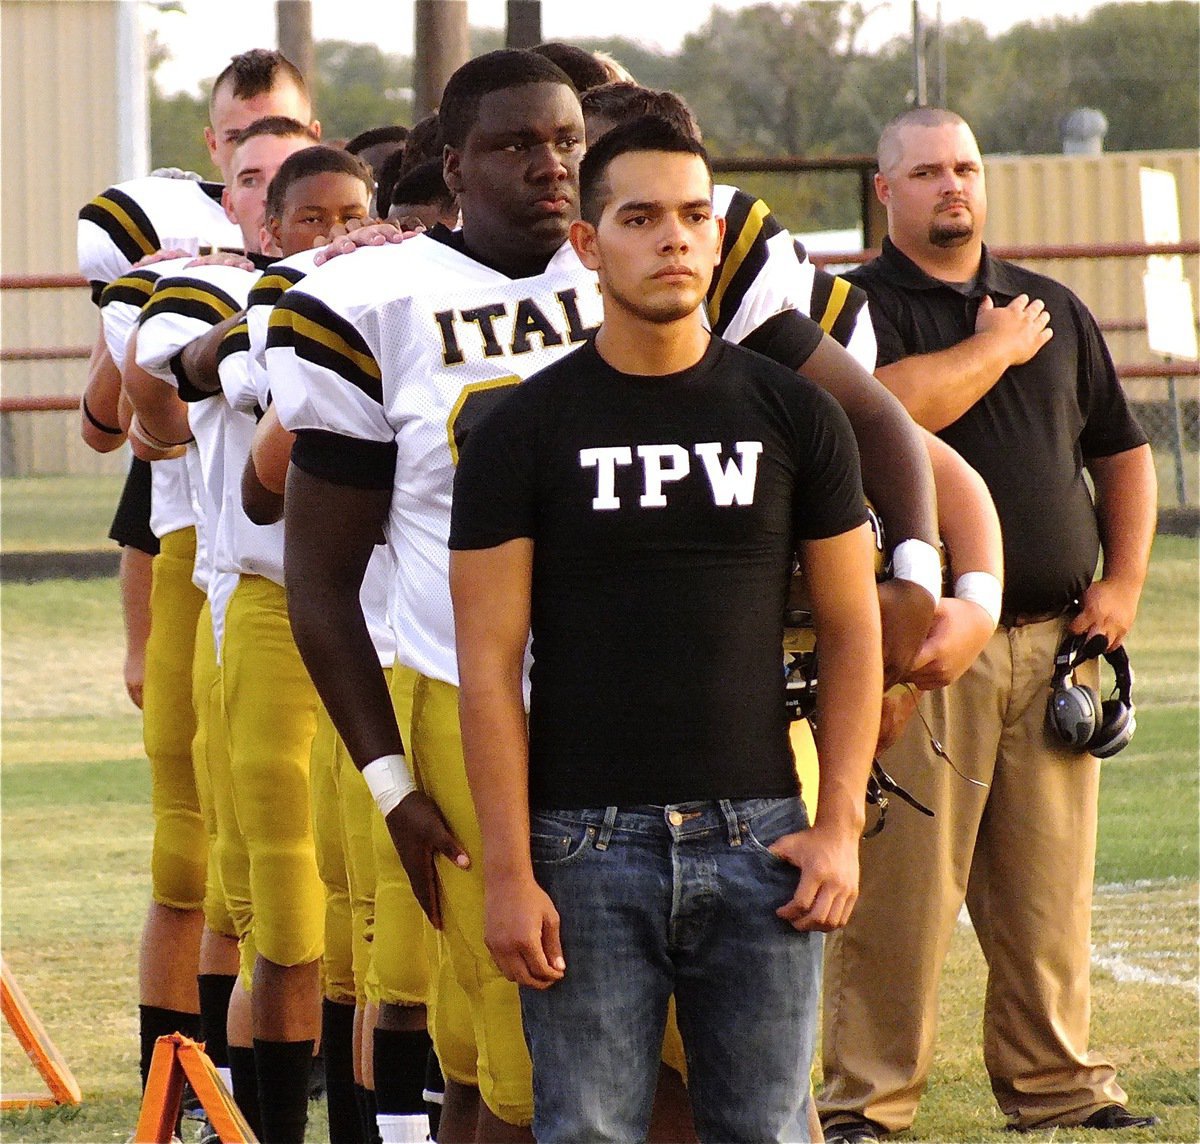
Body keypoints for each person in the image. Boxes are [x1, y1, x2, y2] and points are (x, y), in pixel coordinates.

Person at [266, 49, 940, 1141]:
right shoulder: (378, 300)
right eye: (515, 145)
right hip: (491, 713)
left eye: (568, 141)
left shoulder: (677, 240)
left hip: (723, 730)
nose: (550, 165)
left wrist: (924, 574)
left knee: (762, 1092)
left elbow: (871, 424)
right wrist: (391, 782)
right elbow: (317, 574)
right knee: (528, 1082)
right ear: (453, 161)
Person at [449, 113, 881, 1143]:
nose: (675, 239)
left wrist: (841, 824)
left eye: (695, 216)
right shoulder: (519, 428)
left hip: (764, 834)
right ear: (589, 244)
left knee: (771, 1127)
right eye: (640, 218)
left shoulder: (794, 413)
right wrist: (510, 872)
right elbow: (487, 666)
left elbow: (852, 632)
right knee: (589, 1129)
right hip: (581, 843)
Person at [817, 107, 1159, 1140]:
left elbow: (1123, 454)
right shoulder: (851, 308)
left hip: (1054, 638)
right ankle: (868, 1104)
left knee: (1046, 898)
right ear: (885, 192)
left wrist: (1126, 582)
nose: (951, 186)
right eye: (925, 172)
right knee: (899, 898)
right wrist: (997, 351)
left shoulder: (1049, 304)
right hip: (920, 649)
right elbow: (873, 410)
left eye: (965, 166)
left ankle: (1061, 1088)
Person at [75, 49, 319, 1105]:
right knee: (206, 858)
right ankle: (183, 1091)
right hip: (220, 573)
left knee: (334, 869)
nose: (269, 190)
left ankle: (294, 1082)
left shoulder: (374, 258)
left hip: (369, 590)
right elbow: (129, 439)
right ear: (214, 159)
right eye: (247, 158)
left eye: (290, 152)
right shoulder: (173, 265)